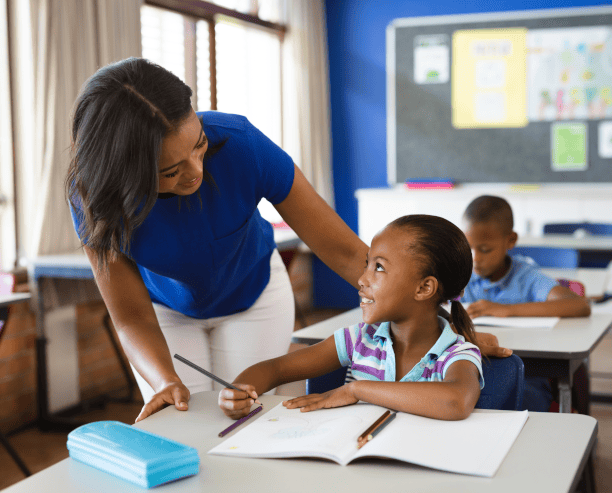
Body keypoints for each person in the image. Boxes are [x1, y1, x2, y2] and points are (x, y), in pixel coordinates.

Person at [66, 57, 506, 423]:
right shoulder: (95, 199)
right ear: (125, 173)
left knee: (242, 418)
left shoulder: (241, 145)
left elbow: (345, 251)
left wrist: (442, 328)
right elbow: (130, 316)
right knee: (185, 421)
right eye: (170, 171)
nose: (196, 171)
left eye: (198, 145)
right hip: (163, 312)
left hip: (254, 295)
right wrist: (163, 380)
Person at [219, 215, 484, 421]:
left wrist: (357, 390)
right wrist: (240, 391)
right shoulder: (359, 340)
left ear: (424, 288)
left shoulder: (456, 354)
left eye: (379, 267)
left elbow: (456, 401)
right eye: (367, 263)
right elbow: (275, 369)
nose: (362, 279)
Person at [460, 195, 591, 411]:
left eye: (485, 249)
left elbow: (580, 306)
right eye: (468, 247)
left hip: (527, 374)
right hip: (471, 369)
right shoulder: (463, 274)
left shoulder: (526, 277)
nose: (475, 258)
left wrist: (508, 310)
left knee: (518, 403)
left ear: (510, 240)